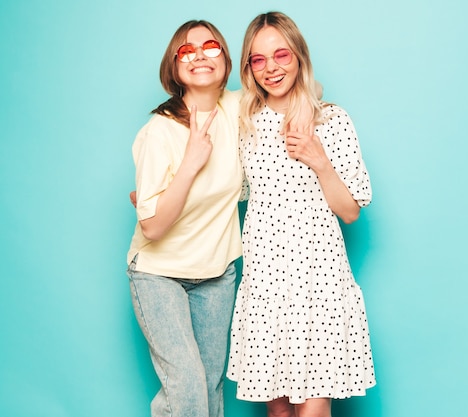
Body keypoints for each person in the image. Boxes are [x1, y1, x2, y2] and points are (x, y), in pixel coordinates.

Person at [227, 11, 376, 417]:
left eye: (281, 55)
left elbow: (350, 212)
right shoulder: (244, 123)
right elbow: (224, 194)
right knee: (278, 413)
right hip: (266, 282)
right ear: (248, 67)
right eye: (258, 60)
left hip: (319, 283)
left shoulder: (331, 119)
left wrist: (320, 161)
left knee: (312, 410)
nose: (271, 68)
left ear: (299, 57)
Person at [126, 20, 242, 417]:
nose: (198, 55)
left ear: (225, 59)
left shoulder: (237, 108)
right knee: (187, 387)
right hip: (159, 274)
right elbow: (154, 227)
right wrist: (191, 163)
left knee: (210, 387)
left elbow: (299, 93)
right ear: (175, 68)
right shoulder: (158, 132)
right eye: (186, 51)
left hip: (216, 274)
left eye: (209, 46)